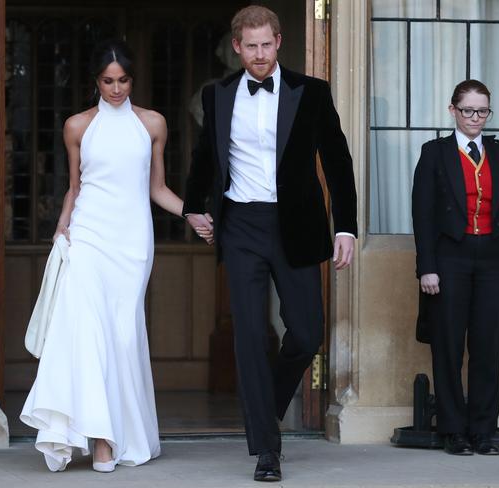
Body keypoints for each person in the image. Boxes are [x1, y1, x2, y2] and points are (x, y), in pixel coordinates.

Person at [19, 39, 212, 473]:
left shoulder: (153, 124)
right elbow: (75, 186)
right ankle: (101, 439)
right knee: (87, 331)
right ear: (96, 81)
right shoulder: (77, 127)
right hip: (88, 235)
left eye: (123, 80)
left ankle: (123, 432)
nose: (116, 88)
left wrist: (192, 214)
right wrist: (62, 226)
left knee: (123, 336)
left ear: (132, 80)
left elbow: (156, 188)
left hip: (132, 242)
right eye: (108, 81)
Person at [182, 5, 357, 483]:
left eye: (266, 44)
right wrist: (193, 206)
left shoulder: (312, 92)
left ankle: (268, 404)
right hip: (241, 224)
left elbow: (338, 162)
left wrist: (346, 227)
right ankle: (267, 448)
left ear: (279, 41)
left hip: (296, 225)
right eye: (250, 46)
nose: (259, 55)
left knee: (306, 333)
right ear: (236, 47)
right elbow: (204, 157)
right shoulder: (217, 95)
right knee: (251, 338)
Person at [412, 79, 499, 456]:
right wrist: (427, 267)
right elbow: (422, 214)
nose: (475, 117)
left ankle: (484, 430)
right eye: (468, 110)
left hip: (493, 259)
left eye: (482, 111)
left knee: (487, 346)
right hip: (450, 258)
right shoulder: (434, 153)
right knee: (449, 346)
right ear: (452, 110)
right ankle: (453, 429)